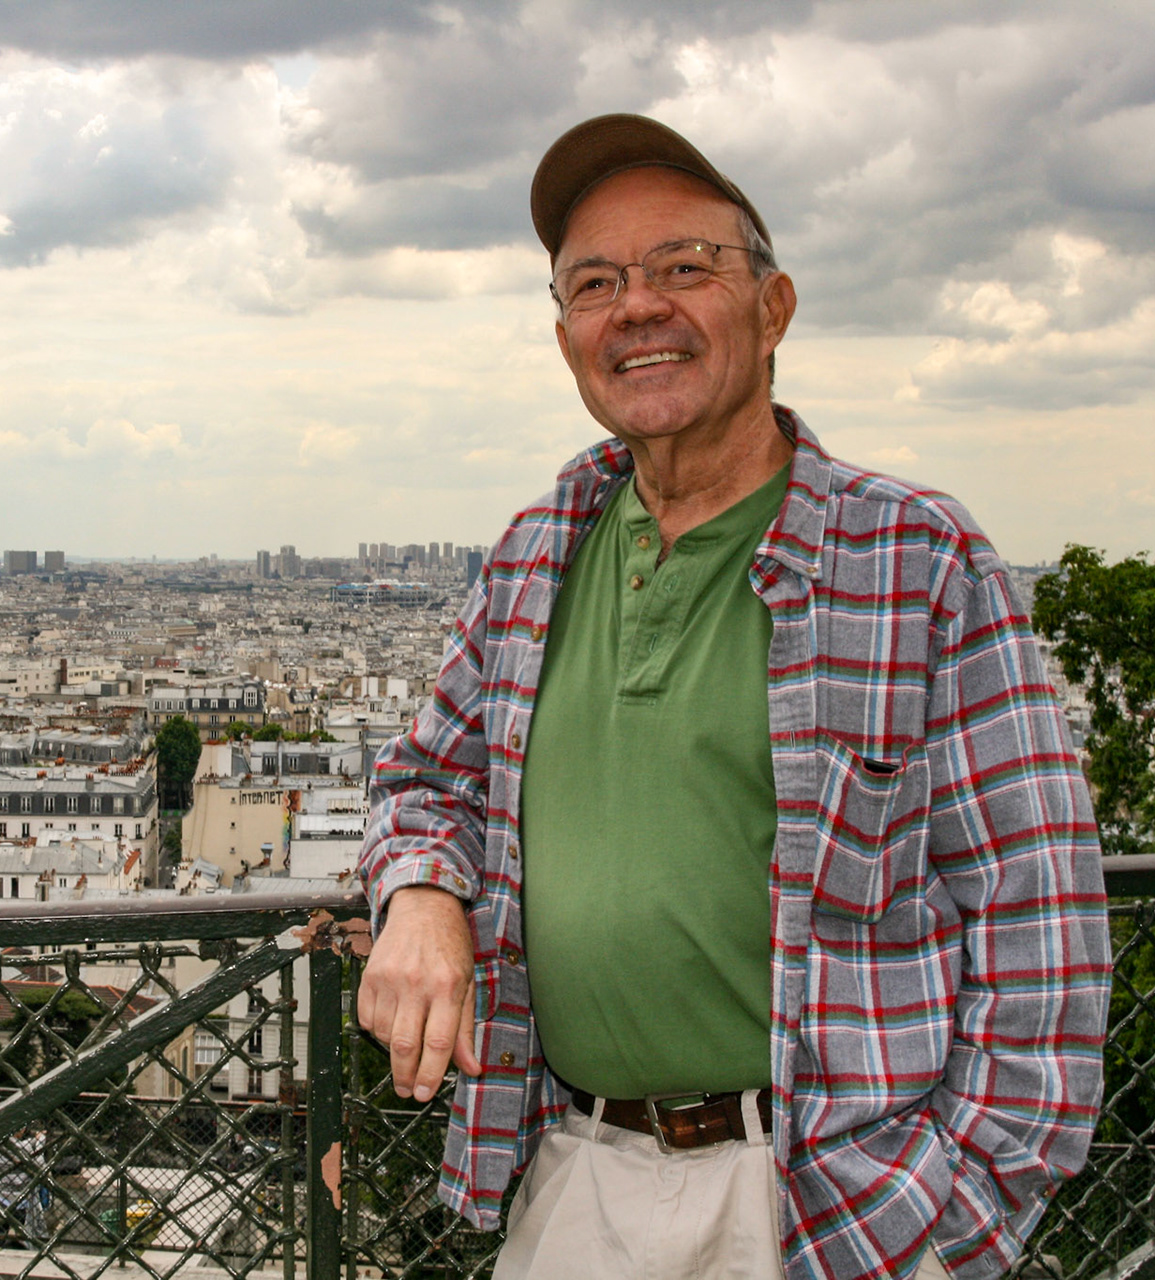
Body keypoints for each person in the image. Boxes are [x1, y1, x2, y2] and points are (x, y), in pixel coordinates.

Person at [355, 113, 1109, 1280]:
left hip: (833, 1203)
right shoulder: (533, 551)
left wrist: (950, 1221)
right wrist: (420, 896)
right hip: (574, 1171)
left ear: (775, 308)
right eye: (595, 282)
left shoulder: (918, 561)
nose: (637, 306)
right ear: (566, 339)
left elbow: (1041, 928)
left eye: (683, 267)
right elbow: (422, 780)